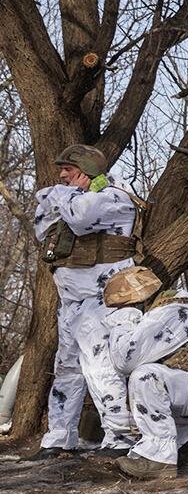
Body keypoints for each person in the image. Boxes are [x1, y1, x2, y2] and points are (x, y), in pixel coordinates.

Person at [24, 144, 139, 461]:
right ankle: (60, 438)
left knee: (99, 365)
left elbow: (79, 217)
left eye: (69, 172)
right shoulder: (78, 196)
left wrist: (56, 196)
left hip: (103, 298)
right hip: (72, 301)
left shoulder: (114, 196)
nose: (62, 177)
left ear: (89, 172)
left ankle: (118, 437)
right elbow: (41, 226)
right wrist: (59, 198)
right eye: (61, 171)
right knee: (67, 368)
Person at [101, 266, 188, 480]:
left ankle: (159, 458)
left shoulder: (167, 316)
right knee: (151, 376)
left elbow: (123, 361)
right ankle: (186, 438)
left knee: (144, 376)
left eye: (120, 307)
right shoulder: (176, 307)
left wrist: (123, 320)